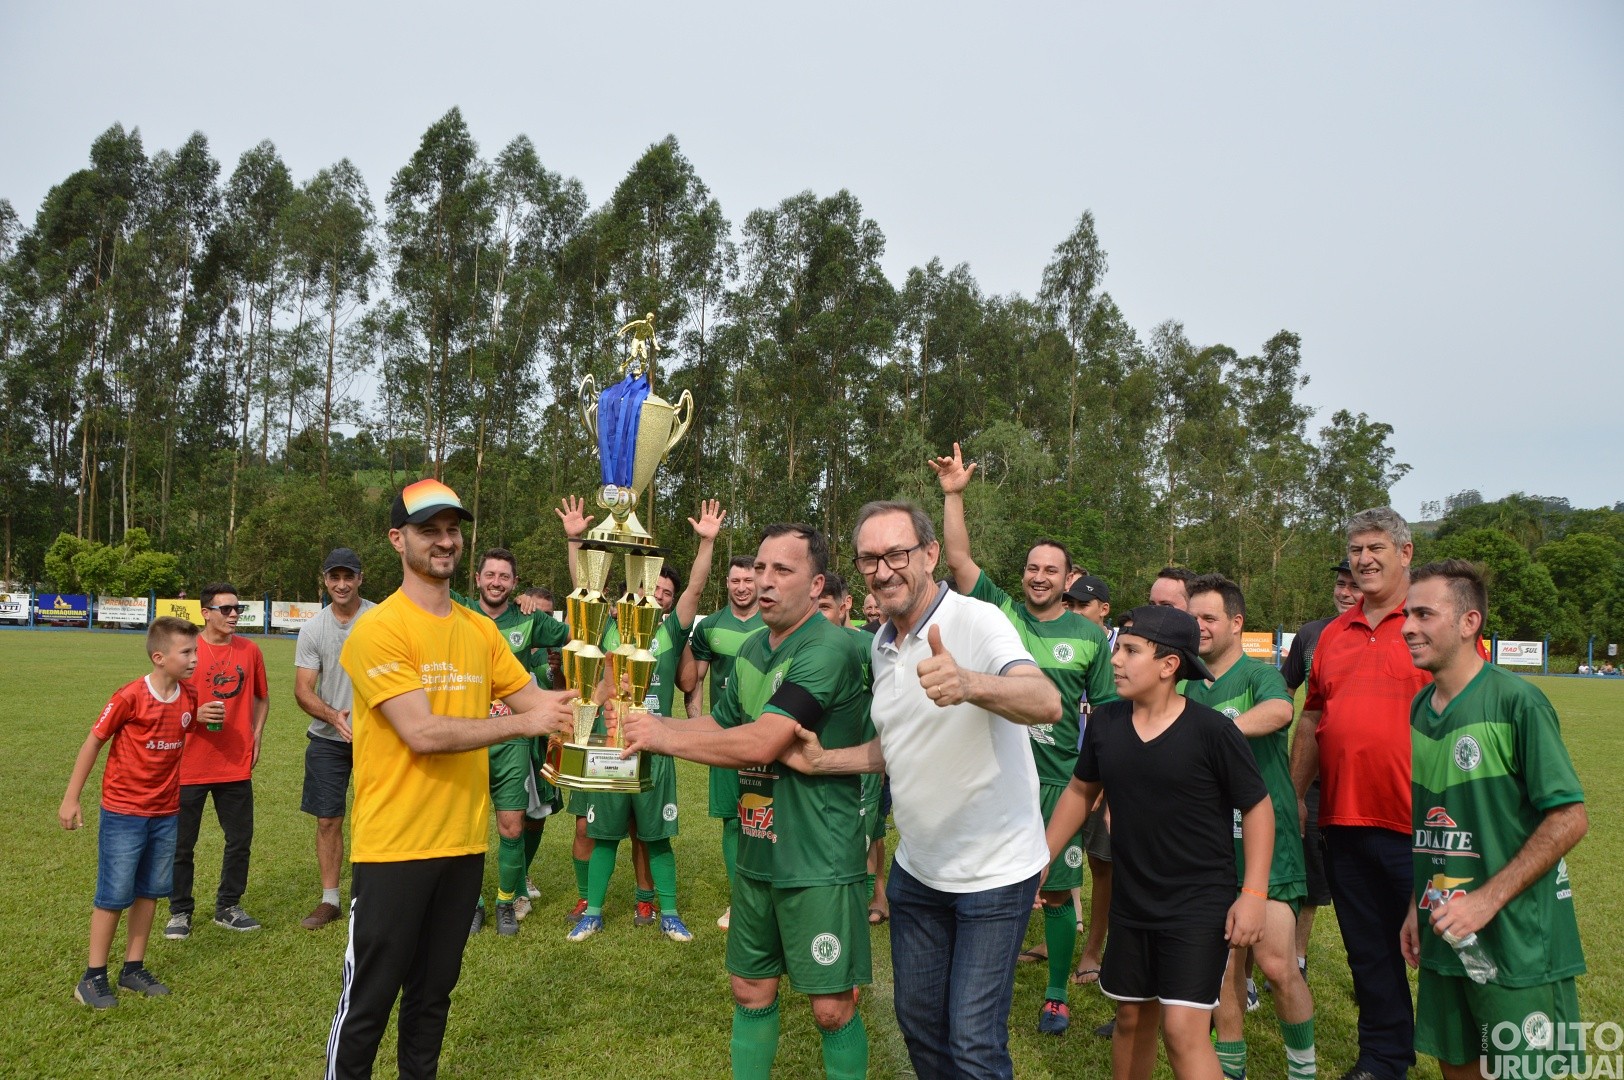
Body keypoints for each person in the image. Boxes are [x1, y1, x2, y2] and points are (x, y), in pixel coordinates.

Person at [784, 500, 1062, 1080]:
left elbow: (1046, 702)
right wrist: (824, 759)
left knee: (973, 1041)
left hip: (994, 874)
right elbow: (899, 744)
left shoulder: (976, 620)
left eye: (896, 554)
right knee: (918, 1023)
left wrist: (970, 683)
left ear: (931, 554)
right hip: (917, 874)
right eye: (868, 559)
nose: (882, 571)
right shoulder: (880, 647)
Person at [324, 478, 577, 1080]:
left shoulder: (479, 630)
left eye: (452, 530)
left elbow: (536, 699)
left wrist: (599, 697)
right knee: (368, 1005)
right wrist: (528, 723)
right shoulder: (378, 629)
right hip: (395, 847)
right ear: (397, 539)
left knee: (433, 999)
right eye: (428, 530)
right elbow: (423, 733)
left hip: (463, 846)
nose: (444, 541)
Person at [620, 523, 873, 1079]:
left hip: (819, 860)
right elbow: (721, 722)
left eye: (783, 570)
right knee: (750, 987)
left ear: (816, 585)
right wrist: (643, 721)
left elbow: (763, 740)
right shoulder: (757, 645)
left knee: (832, 1010)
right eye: (760, 568)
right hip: (759, 847)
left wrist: (663, 738)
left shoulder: (827, 649)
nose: (765, 581)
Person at [931, 442, 1116, 1035]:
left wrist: (1107, 790)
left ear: (1069, 581)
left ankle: (1056, 993)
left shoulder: (1088, 640)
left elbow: (1110, 718)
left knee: (1058, 891)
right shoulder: (999, 611)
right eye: (1033, 568)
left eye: (1051, 570)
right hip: (993, 774)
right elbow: (958, 559)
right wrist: (954, 494)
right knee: (984, 884)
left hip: (1059, 784)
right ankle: (979, 984)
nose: (1039, 577)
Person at [1044, 604, 1272, 1080]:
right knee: (1131, 1017)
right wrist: (1040, 855)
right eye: (1117, 648)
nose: (1117, 660)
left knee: (1184, 1031)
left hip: (1197, 903)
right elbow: (1081, 790)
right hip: (1132, 901)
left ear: (1170, 665)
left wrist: (1252, 895)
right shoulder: (1105, 724)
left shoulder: (1213, 732)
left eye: (1131, 650)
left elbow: (1258, 808)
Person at [1400, 560, 1589, 1080]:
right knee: (1457, 1067)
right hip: (1447, 934)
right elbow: (1434, 823)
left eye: (1424, 614)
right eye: (1406, 614)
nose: (1407, 626)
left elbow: (1570, 818)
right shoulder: (1420, 707)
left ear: (1469, 623)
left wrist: (1485, 900)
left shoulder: (1516, 700)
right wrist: (1417, 907)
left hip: (1517, 943)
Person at [1289, 507, 1429, 1080]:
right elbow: (1311, 719)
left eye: (1376, 548)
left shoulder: (1428, 623)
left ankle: (1469, 1055)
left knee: (1448, 953)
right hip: (1343, 821)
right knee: (1369, 951)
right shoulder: (1331, 636)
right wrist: (1296, 795)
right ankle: (1384, 1059)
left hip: (1424, 824)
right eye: (1356, 550)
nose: (1364, 560)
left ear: (1405, 553)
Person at [568, 499, 726, 945]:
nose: (657, 596)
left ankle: (669, 912)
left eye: (665, 593)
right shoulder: (609, 627)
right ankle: (593, 913)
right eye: (651, 588)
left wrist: (706, 543)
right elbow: (584, 583)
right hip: (611, 747)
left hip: (657, 746)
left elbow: (696, 588)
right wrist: (576, 540)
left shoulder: (670, 630)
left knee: (656, 837)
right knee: (603, 836)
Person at [1186, 575, 1317, 1080]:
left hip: (1267, 839)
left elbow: (1282, 709)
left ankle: (1302, 1070)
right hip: (1210, 843)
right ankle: (1230, 1069)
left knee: (1277, 965)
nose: (1198, 627)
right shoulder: (1186, 683)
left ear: (1236, 623)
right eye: (1192, 618)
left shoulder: (1257, 675)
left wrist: (1217, 730)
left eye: (1209, 618)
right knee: (1221, 971)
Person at [60, 616, 210, 1008]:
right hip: (124, 812)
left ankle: (133, 968)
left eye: (195, 651)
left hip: (165, 812)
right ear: (159, 657)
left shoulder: (188, 696)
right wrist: (71, 797)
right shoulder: (128, 696)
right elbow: (94, 741)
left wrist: (202, 719)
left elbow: (182, 725)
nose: (194, 658)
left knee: (150, 892)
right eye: (187, 652)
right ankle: (92, 978)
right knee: (113, 894)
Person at [456, 546, 573, 937]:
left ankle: (507, 901)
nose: (496, 582)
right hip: (466, 736)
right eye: (490, 575)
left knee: (511, 824)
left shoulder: (528, 618)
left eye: (504, 577)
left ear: (514, 583)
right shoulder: (459, 610)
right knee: (465, 826)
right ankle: (471, 904)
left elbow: (575, 633)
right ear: (477, 579)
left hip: (513, 737)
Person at [165, 581, 269, 939]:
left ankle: (228, 906)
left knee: (240, 839)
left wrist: (256, 736)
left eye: (237, 608)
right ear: (205, 613)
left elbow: (261, 698)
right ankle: (179, 911)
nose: (234, 615)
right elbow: (165, 698)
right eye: (225, 609)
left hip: (234, 762)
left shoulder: (250, 650)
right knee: (181, 844)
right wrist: (195, 713)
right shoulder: (187, 651)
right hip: (189, 763)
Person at [1278, 561, 1360, 975]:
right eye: (1340, 584)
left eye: (1354, 585)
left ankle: (1368, 964)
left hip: (1366, 782)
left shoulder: (1401, 632)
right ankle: (1295, 957)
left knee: (1362, 879)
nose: (1344, 591)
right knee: (1305, 866)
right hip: (1311, 773)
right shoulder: (1312, 634)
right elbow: (1284, 694)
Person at [677, 552, 763, 930]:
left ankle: (771, 898)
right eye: (735, 581)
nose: (742, 588)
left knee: (768, 819)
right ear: (725, 583)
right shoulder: (709, 626)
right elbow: (692, 681)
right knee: (733, 820)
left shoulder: (776, 622)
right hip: (726, 736)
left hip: (767, 736)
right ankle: (739, 902)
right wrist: (698, 727)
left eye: (748, 580)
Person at [293, 547, 375, 931]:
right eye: (334, 577)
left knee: (378, 815)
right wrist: (333, 715)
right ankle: (331, 900)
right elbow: (303, 690)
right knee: (328, 819)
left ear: (360, 578)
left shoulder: (379, 619)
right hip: (328, 738)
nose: (341, 584)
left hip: (378, 737)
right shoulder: (313, 628)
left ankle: (373, 894)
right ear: (324, 580)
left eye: (349, 576)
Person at [816, 571, 890, 925]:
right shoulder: (800, 647)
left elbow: (890, 703)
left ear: (844, 606)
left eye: (825, 607)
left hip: (860, 768)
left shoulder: (866, 647)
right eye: (812, 607)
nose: (818, 616)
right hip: (813, 766)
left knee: (860, 846)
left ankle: (854, 918)